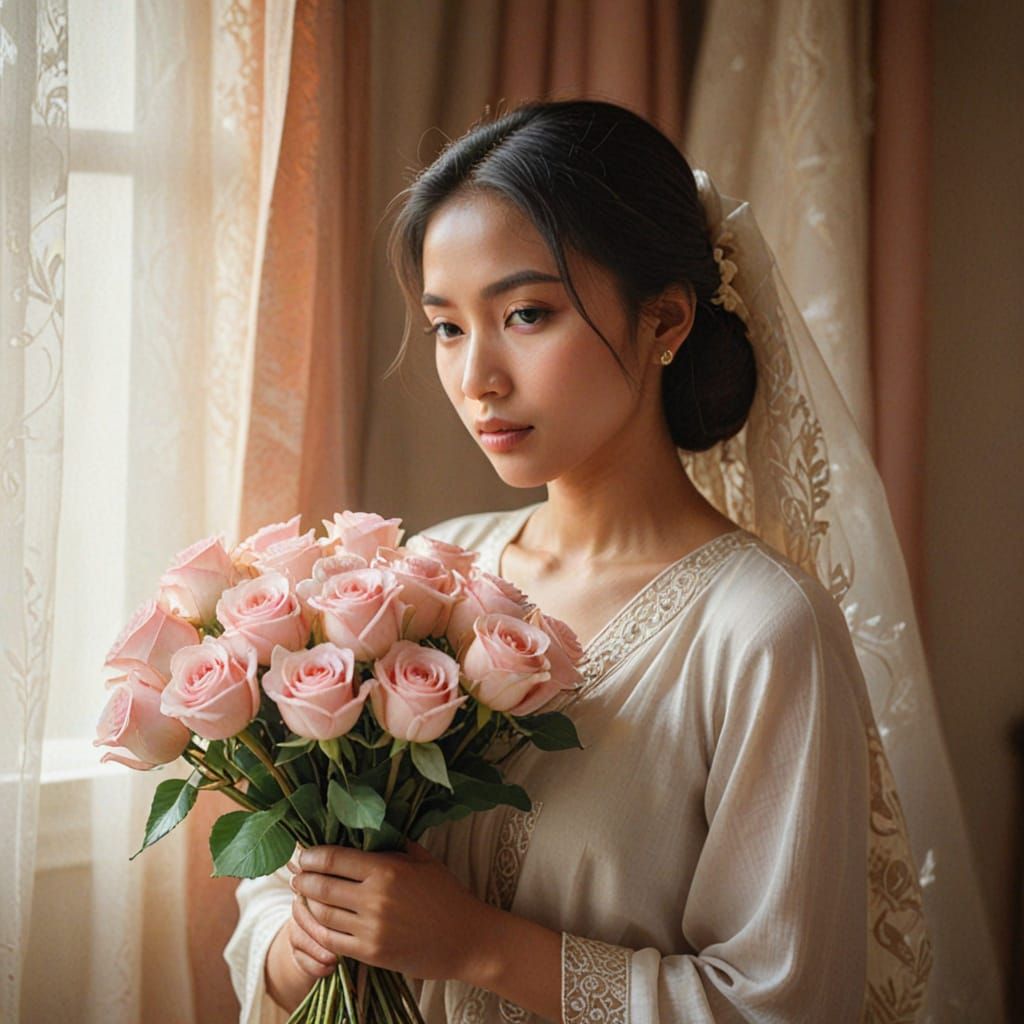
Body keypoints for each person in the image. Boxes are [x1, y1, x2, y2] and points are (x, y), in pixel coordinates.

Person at [225, 99, 1001, 1023]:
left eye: (525, 314)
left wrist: (476, 944)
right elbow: (281, 901)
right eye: (447, 327)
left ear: (665, 319)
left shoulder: (761, 632)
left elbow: (780, 1006)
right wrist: (304, 940)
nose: (477, 379)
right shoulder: (430, 576)